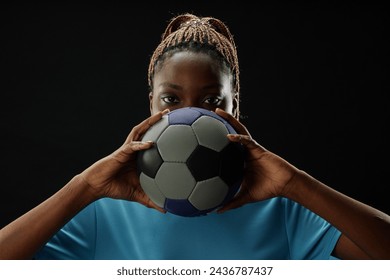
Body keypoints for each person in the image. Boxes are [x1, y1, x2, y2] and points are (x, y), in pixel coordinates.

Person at [0, 13, 389, 260]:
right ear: (150, 103)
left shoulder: (280, 204)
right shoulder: (106, 206)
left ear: (235, 106)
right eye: (171, 98)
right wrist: (83, 187)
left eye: (211, 100)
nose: (190, 113)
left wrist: (294, 184)